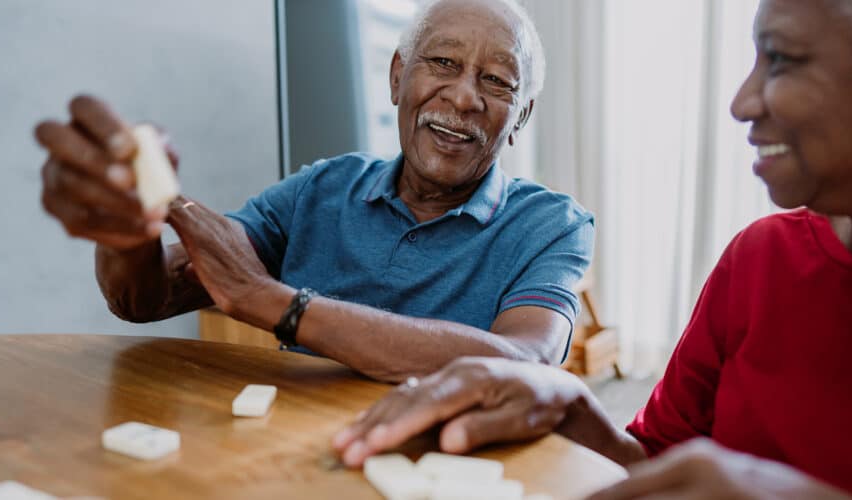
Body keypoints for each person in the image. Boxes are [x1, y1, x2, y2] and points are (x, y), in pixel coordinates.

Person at [332, 0, 852, 498]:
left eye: (784, 58)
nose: (741, 101)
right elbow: (654, 465)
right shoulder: (760, 261)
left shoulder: (548, 221)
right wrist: (576, 407)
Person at [32, 0, 594, 383]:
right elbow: (146, 298)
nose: (464, 97)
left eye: (497, 81)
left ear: (521, 115)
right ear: (398, 75)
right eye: (443, 62)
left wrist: (275, 303)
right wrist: (132, 231)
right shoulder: (322, 188)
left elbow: (526, 363)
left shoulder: (553, 224)